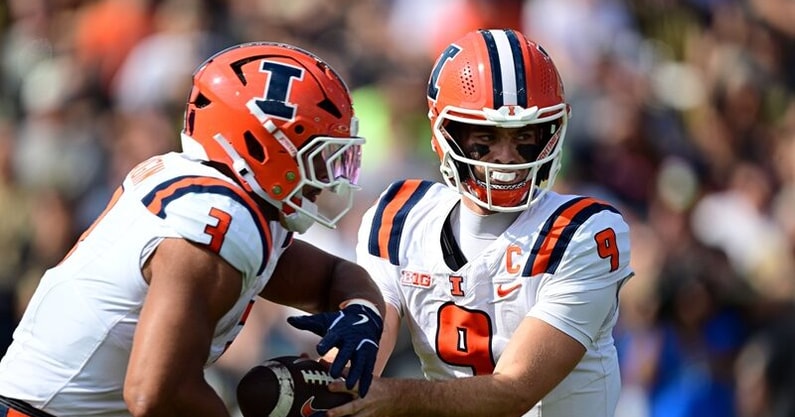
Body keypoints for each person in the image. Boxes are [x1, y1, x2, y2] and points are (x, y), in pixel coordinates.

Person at [0, 41, 385, 417]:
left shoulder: (230, 202)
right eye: (317, 156)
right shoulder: (214, 220)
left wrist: (363, 314)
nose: (327, 178)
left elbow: (335, 277)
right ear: (264, 146)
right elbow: (155, 394)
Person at [327, 28, 634, 417]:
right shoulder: (399, 218)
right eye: (484, 136)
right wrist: (324, 384)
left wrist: (391, 399)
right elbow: (363, 355)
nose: (506, 156)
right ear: (443, 132)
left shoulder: (584, 233)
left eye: (526, 135)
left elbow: (514, 391)